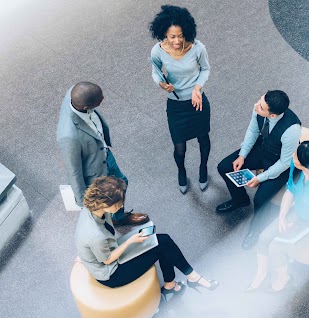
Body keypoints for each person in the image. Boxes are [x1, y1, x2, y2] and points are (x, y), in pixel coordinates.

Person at [75, 176, 218, 300]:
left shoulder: (92, 209)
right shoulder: (95, 235)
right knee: (162, 246)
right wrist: (130, 241)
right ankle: (190, 279)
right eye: (118, 205)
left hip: (110, 252)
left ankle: (179, 281)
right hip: (112, 274)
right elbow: (107, 260)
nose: (120, 208)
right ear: (105, 203)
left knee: (163, 241)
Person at [247, 141, 309, 292]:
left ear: (305, 165)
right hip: (298, 213)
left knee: (275, 247)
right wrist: (283, 216)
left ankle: (284, 278)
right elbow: (290, 190)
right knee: (264, 237)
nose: (292, 157)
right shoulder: (296, 168)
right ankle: (261, 273)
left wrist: (297, 229)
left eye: (296, 156)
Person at [216, 90, 301, 249]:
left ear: (273, 115)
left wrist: (260, 179)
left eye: (261, 107)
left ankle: (255, 230)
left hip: (279, 162)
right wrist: (242, 155)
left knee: (260, 199)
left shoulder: (292, 130)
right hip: (264, 149)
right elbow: (253, 131)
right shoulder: (259, 109)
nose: (256, 106)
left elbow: (284, 163)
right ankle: (240, 199)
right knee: (224, 167)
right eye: (259, 101)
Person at [57, 82, 148, 226]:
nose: (103, 98)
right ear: (86, 107)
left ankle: (117, 216)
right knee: (108, 198)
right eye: (100, 99)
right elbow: (73, 171)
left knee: (122, 183)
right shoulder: (68, 136)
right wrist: (83, 203)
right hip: (95, 171)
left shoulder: (75, 93)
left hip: (104, 153)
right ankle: (114, 220)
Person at [150, 5, 211, 194]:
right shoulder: (158, 51)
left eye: (180, 35)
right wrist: (162, 84)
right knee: (179, 147)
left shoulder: (198, 48)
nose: (177, 41)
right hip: (176, 105)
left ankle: (203, 168)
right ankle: (181, 171)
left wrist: (197, 88)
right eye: (172, 36)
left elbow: (205, 69)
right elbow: (156, 72)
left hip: (197, 101)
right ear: (164, 35)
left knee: (203, 139)